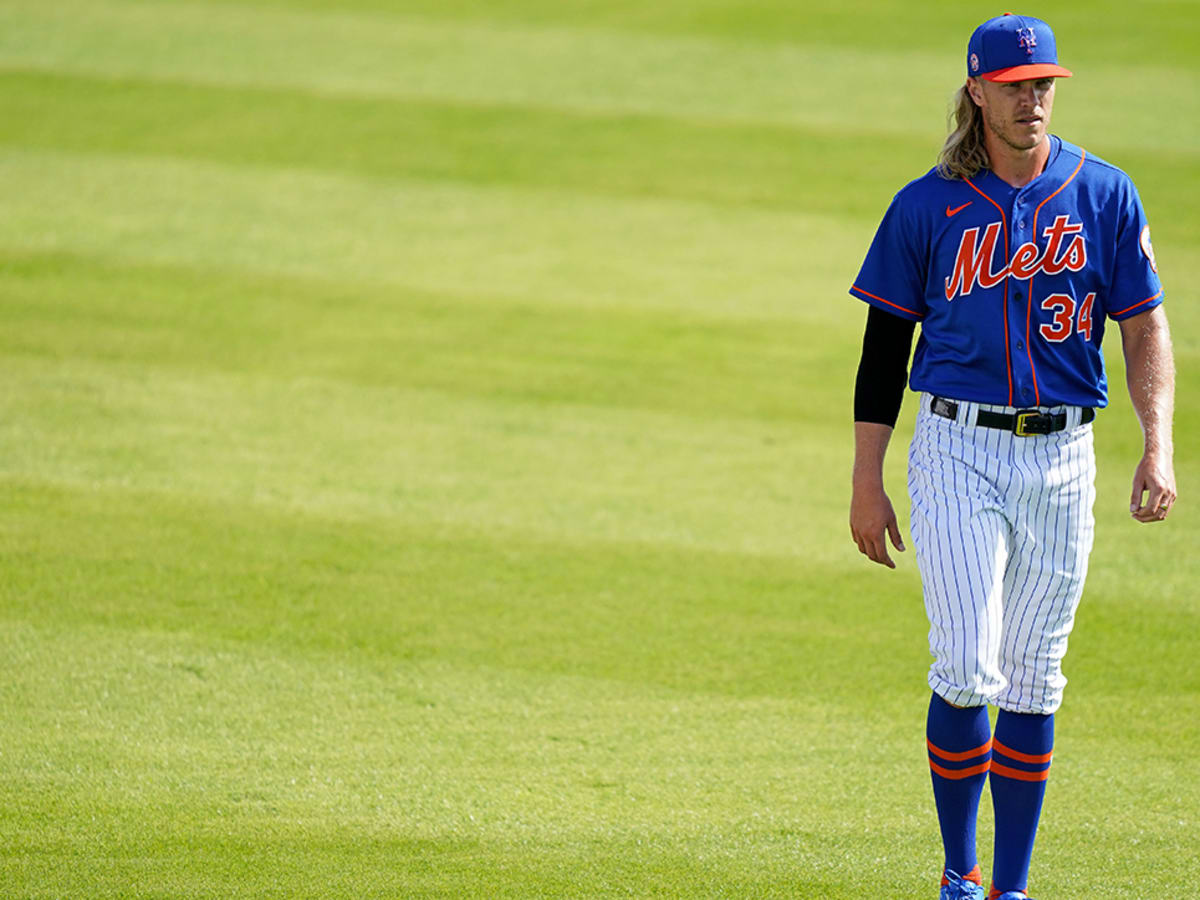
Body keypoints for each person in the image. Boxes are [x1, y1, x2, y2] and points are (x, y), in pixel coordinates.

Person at [846, 13, 1176, 900]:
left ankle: (1012, 889)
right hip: (957, 448)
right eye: (1017, 85)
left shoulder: (1103, 193)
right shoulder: (926, 206)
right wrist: (865, 480)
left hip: (1066, 459)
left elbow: (1144, 326)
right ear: (977, 92)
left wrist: (1159, 445)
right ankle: (961, 875)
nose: (1034, 99)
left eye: (1045, 85)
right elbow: (884, 351)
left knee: (1035, 679)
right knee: (967, 664)